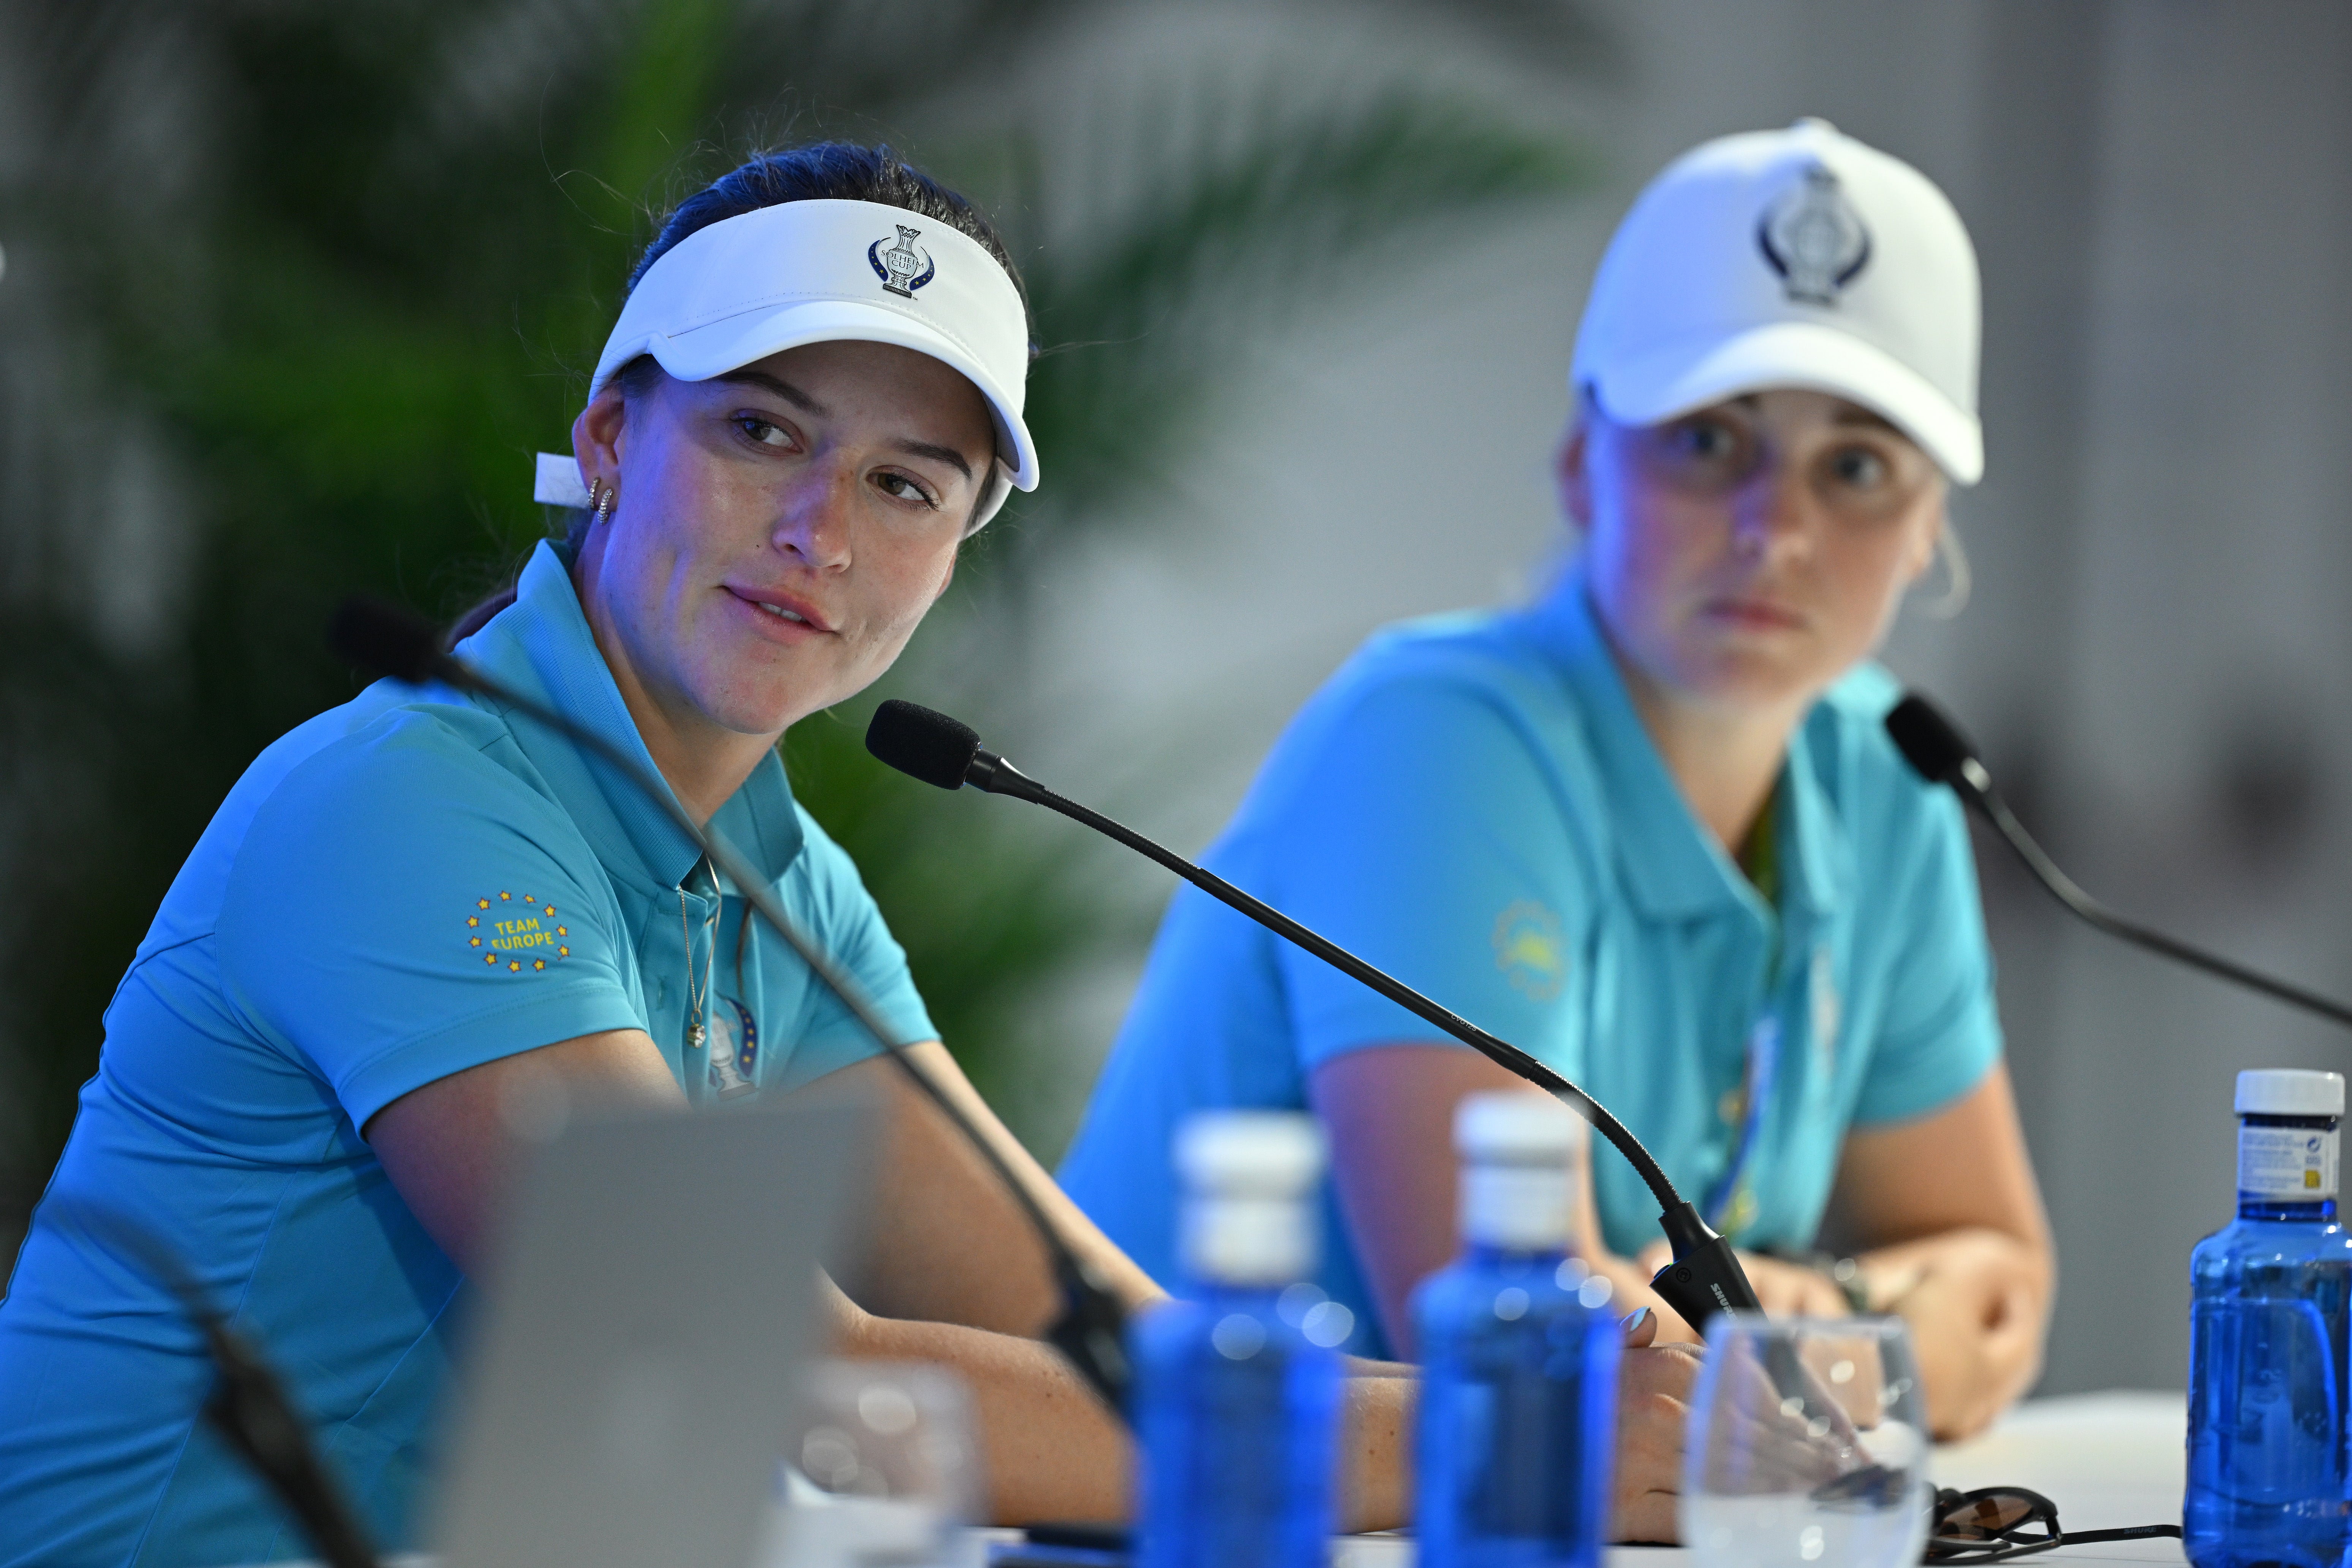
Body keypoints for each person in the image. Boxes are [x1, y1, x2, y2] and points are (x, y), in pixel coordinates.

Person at [0, 143, 1699, 1565]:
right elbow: (795, 1393)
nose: (823, 531)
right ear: (607, 439)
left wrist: (1553, 1400)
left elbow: (1086, 1332)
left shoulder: (776, 882)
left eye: (908, 484)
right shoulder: (413, 799)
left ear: (957, 548)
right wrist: (1506, 1442)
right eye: (762, 432)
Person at [1061, 119, 2056, 1443]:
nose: (1780, 529)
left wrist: (1788, 1319)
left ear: (1932, 526)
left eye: (1859, 468)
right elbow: (1514, 1347)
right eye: (1710, 440)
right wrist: (1877, 1336)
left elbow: (2001, 1271)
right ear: (1584, 460)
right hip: (1190, 1515)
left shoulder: (1888, 769)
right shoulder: (1436, 737)